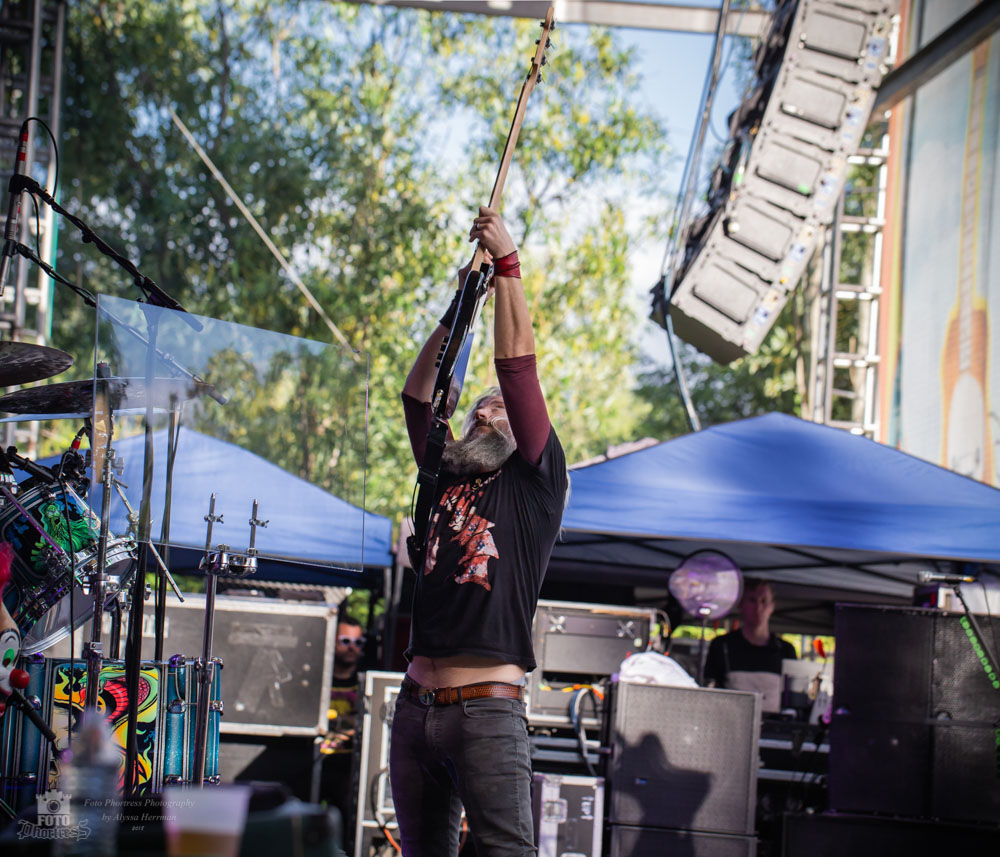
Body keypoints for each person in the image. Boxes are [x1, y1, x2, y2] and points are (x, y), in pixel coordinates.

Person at [390, 206, 567, 856]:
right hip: (415, 706)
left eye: (499, 412)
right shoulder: (443, 471)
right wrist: (462, 304)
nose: (485, 413)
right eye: (477, 410)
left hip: (486, 710)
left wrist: (509, 265)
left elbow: (518, 372)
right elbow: (417, 396)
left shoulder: (535, 479)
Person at [703, 578, 796, 712]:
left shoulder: (785, 650)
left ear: (771, 607)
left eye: (764, 601)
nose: (758, 607)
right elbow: (710, 690)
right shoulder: (722, 645)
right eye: (752, 600)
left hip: (774, 723)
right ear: (740, 605)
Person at [320, 615, 365, 827]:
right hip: (315, 762)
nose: (352, 648)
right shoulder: (318, 677)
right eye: (345, 641)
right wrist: (347, 722)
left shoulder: (365, 681)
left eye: (358, 642)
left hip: (349, 766)